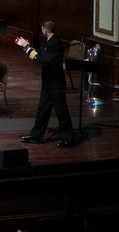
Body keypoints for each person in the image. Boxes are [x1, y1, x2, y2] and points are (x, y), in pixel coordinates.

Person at [17, 19, 75, 147]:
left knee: (61, 112)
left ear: (44, 30)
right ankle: (36, 136)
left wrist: (27, 49)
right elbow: (39, 53)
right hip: (48, 83)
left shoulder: (55, 43)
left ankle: (69, 138)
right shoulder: (49, 42)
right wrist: (26, 47)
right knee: (42, 110)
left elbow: (42, 59)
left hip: (55, 85)